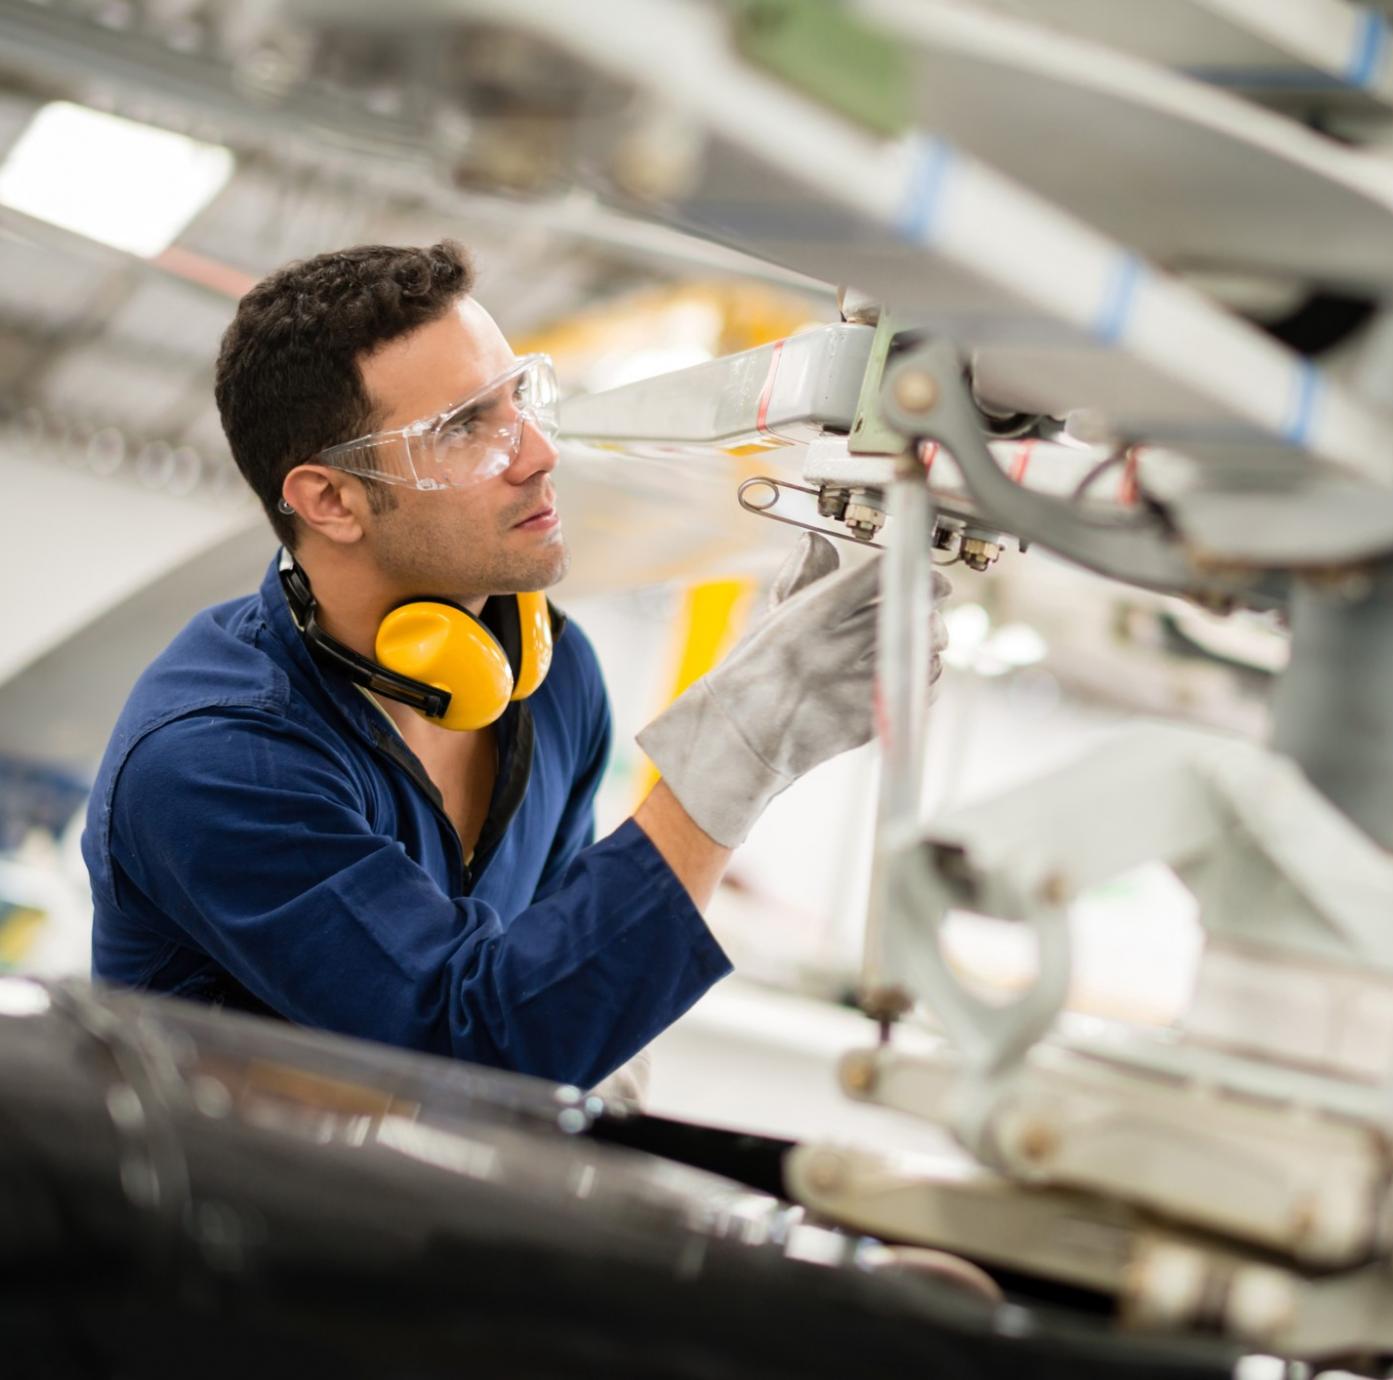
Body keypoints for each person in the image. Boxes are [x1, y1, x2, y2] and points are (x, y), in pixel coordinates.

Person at [81, 240, 944, 1090]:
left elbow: (549, 968)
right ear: (331, 500)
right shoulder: (216, 761)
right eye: (462, 429)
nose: (537, 452)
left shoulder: (555, 675)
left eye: (516, 397)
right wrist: (736, 755)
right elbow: (472, 1048)